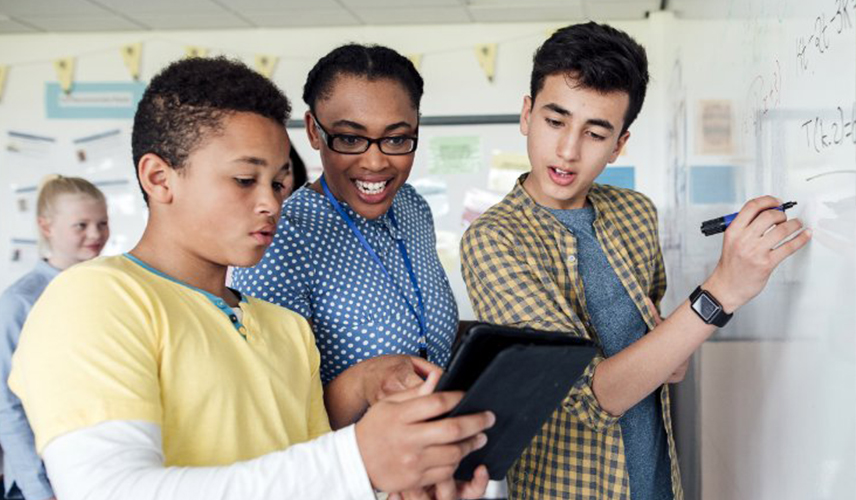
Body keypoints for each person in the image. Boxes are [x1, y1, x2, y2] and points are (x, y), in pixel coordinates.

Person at [9, 57, 493, 500]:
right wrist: (359, 462)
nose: (271, 203)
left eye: (280, 182)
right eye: (245, 179)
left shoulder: (286, 329)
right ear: (159, 178)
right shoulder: (94, 299)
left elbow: (306, 483)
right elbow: (110, 490)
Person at [460, 22, 811, 500]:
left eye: (595, 132)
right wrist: (723, 290)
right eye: (555, 120)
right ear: (527, 114)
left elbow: (658, 342)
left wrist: (672, 354)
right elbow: (591, 398)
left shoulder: (635, 212)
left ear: (619, 144)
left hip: (658, 482)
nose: (567, 150)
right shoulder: (494, 239)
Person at [232, 44, 459, 426]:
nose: (375, 162)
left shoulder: (412, 207)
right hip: (348, 472)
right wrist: (364, 383)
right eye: (350, 139)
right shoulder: (281, 236)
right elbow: (275, 409)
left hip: (431, 461)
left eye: (397, 139)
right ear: (313, 131)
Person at [0, 175, 109, 500]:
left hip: (102, 471)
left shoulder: (109, 289)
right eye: (81, 225)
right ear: (46, 227)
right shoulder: (20, 302)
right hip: (46, 482)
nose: (96, 234)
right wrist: (39, 490)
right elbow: (7, 405)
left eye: (102, 223)